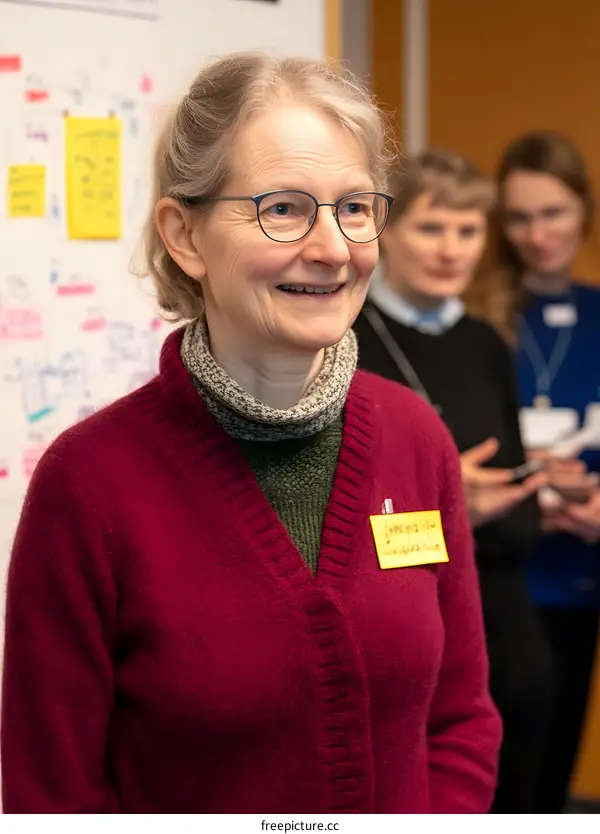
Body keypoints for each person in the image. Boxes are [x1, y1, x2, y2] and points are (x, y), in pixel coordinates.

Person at [0, 53, 501, 813]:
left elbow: (460, 718)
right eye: (285, 209)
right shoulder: (92, 481)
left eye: (355, 208)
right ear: (185, 234)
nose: (334, 248)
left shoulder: (414, 437)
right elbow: (50, 793)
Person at [353, 149, 554, 813]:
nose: (451, 250)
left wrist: (493, 506)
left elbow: (521, 523)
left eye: (468, 231)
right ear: (385, 230)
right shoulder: (345, 337)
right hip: (401, 633)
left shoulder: (485, 343)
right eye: (431, 228)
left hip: (505, 628)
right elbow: (342, 526)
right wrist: (449, 511)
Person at [466, 130, 600, 813]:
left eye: (553, 213)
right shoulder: (476, 319)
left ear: (584, 210)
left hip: (582, 580)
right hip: (500, 583)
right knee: (494, 785)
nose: (536, 234)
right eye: (519, 217)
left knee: (550, 782)